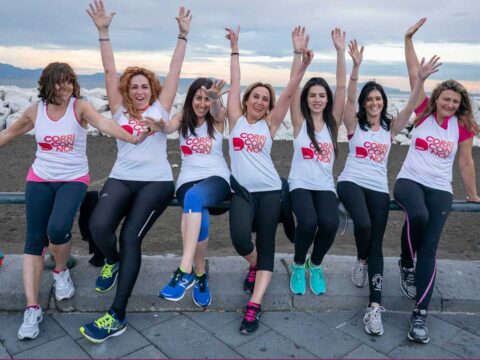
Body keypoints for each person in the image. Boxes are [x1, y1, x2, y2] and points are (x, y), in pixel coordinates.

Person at [0, 61, 144, 340]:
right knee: (33, 241)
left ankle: (61, 270)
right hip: (39, 179)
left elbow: (104, 123)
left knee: (57, 229)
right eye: (59, 81)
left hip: (73, 179)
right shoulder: (35, 111)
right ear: (47, 84)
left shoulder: (79, 107)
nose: (65, 86)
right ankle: (32, 308)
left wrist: (131, 138)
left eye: (69, 81)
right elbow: (9, 133)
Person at [80, 0, 191, 343]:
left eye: (145, 86)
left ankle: (118, 314)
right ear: (126, 91)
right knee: (99, 225)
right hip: (122, 176)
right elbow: (110, 71)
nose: (140, 91)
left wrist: (182, 36)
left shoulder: (161, 107)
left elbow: (174, 72)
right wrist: (103, 32)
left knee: (131, 237)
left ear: (152, 90)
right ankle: (110, 261)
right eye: (134, 87)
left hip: (156, 183)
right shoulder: (118, 110)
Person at [337, 39, 441, 336]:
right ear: (364, 103)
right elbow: (346, 97)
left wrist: (420, 80)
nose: (374, 103)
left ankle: (374, 307)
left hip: (379, 189)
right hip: (350, 183)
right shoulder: (353, 124)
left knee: (377, 244)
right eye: (369, 99)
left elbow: (411, 106)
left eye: (378, 99)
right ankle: (360, 259)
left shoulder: (390, 129)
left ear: (383, 102)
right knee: (365, 224)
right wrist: (356, 67)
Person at [396, 18, 480, 344]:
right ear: (437, 99)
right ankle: (405, 260)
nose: (450, 104)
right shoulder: (421, 112)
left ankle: (420, 314)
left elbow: (465, 161)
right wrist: (407, 38)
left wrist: (472, 194)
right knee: (417, 215)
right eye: (446, 99)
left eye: (455, 102)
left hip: (441, 188)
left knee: (430, 249)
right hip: (409, 181)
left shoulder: (462, 128)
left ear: (460, 106)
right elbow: (413, 72)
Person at [225, 25, 313, 334]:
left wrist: (300, 59)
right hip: (242, 192)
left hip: (270, 193)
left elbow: (290, 92)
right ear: (247, 99)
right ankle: (252, 264)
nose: (261, 102)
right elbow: (234, 82)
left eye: (265, 98)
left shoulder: (270, 125)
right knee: (239, 239)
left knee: (267, 247)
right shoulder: (234, 119)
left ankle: (254, 306)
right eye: (256, 97)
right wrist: (235, 47)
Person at [143, 78, 230, 307]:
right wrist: (159, 125)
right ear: (190, 98)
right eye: (198, 98)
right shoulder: (183, 118)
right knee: (199, 217)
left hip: (216, 179)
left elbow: (219, 113)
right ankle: (200, 273)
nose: (202, 104)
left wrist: (214, 98)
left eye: (206, 98)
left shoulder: (216, 119)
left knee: (193, 199)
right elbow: (169, 127)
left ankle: (184, 270)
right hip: (187, 181)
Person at [287, 26, 346, 296]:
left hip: (324, 185)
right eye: (312, 95)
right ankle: (299, 264)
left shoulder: (332, 123)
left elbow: (343, 85)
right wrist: (298, 53)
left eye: (322, 95)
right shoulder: (300, 121)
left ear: (327, 99)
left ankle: (316, 263)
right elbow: (293, 86)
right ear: (306, 99)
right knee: (308, 223)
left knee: (331, 223)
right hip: (300, 183)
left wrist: (340, 52)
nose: (317, 99)